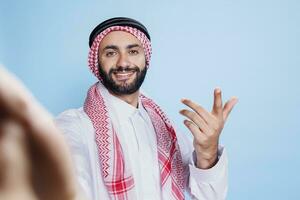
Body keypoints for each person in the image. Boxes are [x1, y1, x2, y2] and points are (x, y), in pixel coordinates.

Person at [0, 17, 238, 200]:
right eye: (111, 53)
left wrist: (207, 151)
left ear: (146, 60)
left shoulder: (167, 130)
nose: (123, 62)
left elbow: (209, 195)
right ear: (96, 63)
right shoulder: (73, 127)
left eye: (133, 51)